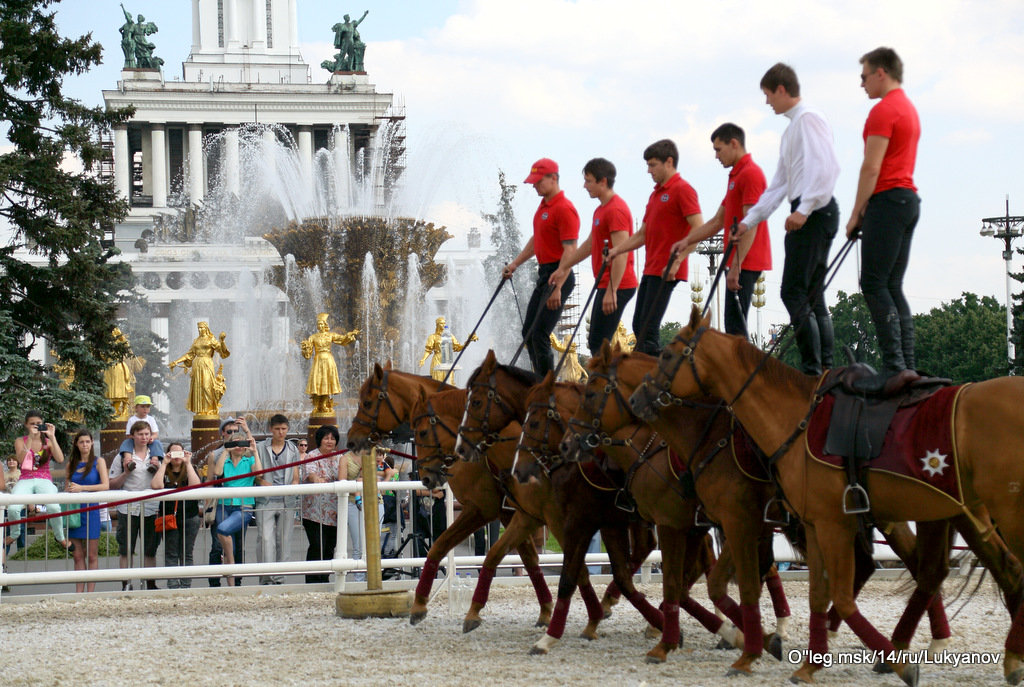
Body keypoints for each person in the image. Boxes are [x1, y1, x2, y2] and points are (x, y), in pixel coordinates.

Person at [734, 63, 841, 375]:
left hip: (813, 210)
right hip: (810, 208)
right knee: (810, 293)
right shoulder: (793, 128)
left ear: (781, 90)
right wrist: (748, 221)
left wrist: (804, 209)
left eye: (768, 95)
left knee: (793, 291)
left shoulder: (808, 119)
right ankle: (823, 365)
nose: (767, 102)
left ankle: (814, 367)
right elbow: (778, 185)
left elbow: (827, 167)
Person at [846, 47, 921, 385]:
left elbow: (871, 166)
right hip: (908, 200)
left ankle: (895, 365)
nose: (861, 84)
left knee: (873, 282)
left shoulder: (883, 110)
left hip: (887, 200)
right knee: (892, 283)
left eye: (864, 76)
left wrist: (856, 213)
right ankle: (908, 363)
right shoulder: (908, 108)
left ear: (881, 72)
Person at [669, 124, 772, 338]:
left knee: (735, 330)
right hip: (736, 260)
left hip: (746, 260)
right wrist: (686, 241)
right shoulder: (737, 176)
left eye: (718, 149)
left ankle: (743, 371)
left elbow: (750, 222)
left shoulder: (750, 174)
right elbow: (717, 221)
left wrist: (737, 266)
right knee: (732, 327)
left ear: (733, 144)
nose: (716, 156)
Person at [606, 140, 703, 354]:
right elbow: (642, 234)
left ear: (669, 162)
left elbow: (699, 228)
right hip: (651, 268)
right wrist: (617, 250)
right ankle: (653, 372)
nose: (649, 170)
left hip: (667, 269)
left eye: (652, 165)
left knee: (647, 329)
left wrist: (678, 260)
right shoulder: (656, 194)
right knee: (639, 326)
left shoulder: (682, 189)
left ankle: (658, 377)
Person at [549, 158, 639, 354]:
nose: (584, 185)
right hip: (606, 282)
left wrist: (613, 290)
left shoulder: (615, 210)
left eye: (588, 181)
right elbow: (590, 245)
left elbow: (621, 252)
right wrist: (564, 267)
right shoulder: (601, 210)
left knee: (599, 342)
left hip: (617, 284)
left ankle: (610, 383)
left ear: (603, 181)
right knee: (597, 342)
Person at [503, 158, 580, 375]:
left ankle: (547, 386)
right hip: (545, 273)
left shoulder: (564, 208)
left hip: (559, 273)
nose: (535, 186)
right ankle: (539, 379)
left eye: (538, 182)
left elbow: (570, 250)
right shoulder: (544, 208)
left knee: (540, 334)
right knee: (528, 331)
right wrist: (515, 264)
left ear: (553, 178)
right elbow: (537, 239)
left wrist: (558, 286)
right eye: (533, 182)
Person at [5, 411, 71, 552]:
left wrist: (52, 437)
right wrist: (30, 438)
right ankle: (15, 533)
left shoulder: (47, 442)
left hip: (44, 478)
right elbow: (21, 461)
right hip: (25, 478)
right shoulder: (20, 441)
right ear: (26, 425)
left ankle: (60, 537)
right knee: (13, 508)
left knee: (54, 507)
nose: (35, 426)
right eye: (32, 424)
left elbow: (60, 459)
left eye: (38, 424)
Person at [109, 420, 162, 590]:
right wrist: (126, 473)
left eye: (147, 434)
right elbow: (112, 484)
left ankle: (151, 584)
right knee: (126, 549)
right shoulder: (122, 457)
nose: (144, 437)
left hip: (151, 507)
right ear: (132, 436)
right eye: (140, 434)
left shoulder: (157, 455)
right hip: (128, 508)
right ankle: (126, 583)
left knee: (150, 549)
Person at [254, 414, 300, 585]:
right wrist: (261, 482)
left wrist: (294, 488)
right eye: (277, 429)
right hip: (266, 499)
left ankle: (280, 577)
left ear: (288, 429)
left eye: (283, 429)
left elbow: (295, 474)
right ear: (270, 429)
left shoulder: (293, 449)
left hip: (286, 500)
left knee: (284, 539)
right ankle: (266, 577)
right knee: (265, 539)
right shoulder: (260, 447)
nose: (281, 433)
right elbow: (255, 472)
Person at [214, 430, 261, 587]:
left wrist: (254, 451)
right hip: (224, 505)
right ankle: (232, 586)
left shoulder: (249, 461)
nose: (238, 447)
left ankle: (231, 563)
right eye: (235, 443)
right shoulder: (225, 461)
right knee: (229, 546)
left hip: (243, 506)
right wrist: (225, 451)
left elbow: (259, 473)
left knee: (222, 530)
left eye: (242, 443)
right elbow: (217, 472)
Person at [151, 442, 200, 589]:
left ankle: (185, 585)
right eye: (173, 453)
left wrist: (188, 462)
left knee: (187, 552)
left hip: (190, 516)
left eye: (180, 453)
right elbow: (156, 485)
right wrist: (164, 464)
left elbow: (195, 485)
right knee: (171, 552)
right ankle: (172, 585)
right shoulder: (164, 471)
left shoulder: (191, 469)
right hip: (169, 518)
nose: (177, 457)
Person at [204, 416, 246, 586]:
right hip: (220, 504)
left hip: (239, 504)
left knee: (238, 544)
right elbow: (209, 481)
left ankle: (237, 581)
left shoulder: (244, 451)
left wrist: (247, 430)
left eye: (236, 432)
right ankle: (214, 581)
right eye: (229, 431)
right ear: (222, 433)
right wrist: (207, 506)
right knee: (217, 543)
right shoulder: (215, 454)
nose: (232, 434)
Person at [66, 430, 110, 593]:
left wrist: (82, 488)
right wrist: (70, 489)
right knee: (77, 555)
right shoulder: (71, 464)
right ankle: (79, 591)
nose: (84, 445)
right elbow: (67, 485)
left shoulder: (99, 462)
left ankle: (90, 592)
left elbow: (105, 485)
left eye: (87, 441)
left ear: (92, 443)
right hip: (75, 511)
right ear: (76, 445)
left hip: (91, 510)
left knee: (92, 555)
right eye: (81, 442)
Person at [299, 425, 340, 584]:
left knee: (330, 547)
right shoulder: (312, 456)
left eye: (333, 438)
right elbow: (311, 475)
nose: (330, 441)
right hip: (313, 512)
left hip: (335, 511)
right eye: (326, 438)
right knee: (317, 546)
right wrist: (317, 480)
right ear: (319, 440)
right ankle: (312, 580)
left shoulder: (339, 457)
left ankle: (324, 578)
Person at [299, 313, 359, 414]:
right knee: (318, 381)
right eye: (318, 324)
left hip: (328, 360)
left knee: (327, 381)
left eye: (322, 324)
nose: (320, 326)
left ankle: (324, 403)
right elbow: (308, 355)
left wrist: (350, 335)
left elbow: (342, 340)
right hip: (318, 360)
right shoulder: (313, 337)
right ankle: (319, 404)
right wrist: (305, 349)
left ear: (325, 324)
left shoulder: (330, 335)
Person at [169, 321, 230, 417]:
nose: (200, 330)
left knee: (207, 386)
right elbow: (189, 354)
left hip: (207, 363)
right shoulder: (196, 341)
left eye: (202, 328)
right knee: (199, 387)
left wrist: (222, 341)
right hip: (197, 365)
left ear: (206, 328)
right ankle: (201, 410)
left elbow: (222, 352)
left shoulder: (211, 339)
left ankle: (211, 409)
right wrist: (176, 361)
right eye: (199, 328)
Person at [116, 395, 164, 461]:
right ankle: (128, 459)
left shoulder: (151, 419)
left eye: (147, 407)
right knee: (127, 442)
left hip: (148, 441)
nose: (145, 409)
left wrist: (151, 438)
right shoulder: (132, 420)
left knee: (157, 443)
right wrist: (137, 438)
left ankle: (154, 460)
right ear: (136, 408)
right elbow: (128, 435)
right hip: (135, 441)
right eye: (142, 406)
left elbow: (155, 433)